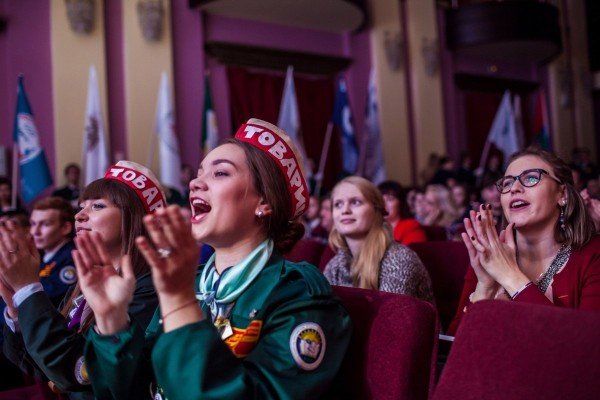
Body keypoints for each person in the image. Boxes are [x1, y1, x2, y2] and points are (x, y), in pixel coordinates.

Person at [82, 119, 351, 400]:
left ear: (264, 201)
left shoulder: (296, 293)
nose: (195, 183)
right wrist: (113, 323)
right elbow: (138, 390)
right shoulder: (191, 282)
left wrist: (180, 303)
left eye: (220, 173)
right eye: (199, 174)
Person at [0, 161, 161, 399]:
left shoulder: (150, 288)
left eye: (97, 206)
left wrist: (27, 289)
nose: (80, 215)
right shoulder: (86, 281)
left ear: (133, 217)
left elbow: (77, 371)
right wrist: (17, 309)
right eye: (81, 206)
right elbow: (46, 368)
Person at [448, 147, 599, 335]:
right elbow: (454, 344)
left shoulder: (593, 255)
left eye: (531, 178)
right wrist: (484, 288)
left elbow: (585, 343)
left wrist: (509, 276)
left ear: (562, 195)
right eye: (507, 183)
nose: (514, 189)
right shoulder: (491, 255)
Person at [324, 176, 433, 302]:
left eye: (355, 202)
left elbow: (391, 313)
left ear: (377, 210)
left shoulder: (399, 259)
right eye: (338, 204)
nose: (345, 210)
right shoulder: (335, 265)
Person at [30, 197, 77, 306]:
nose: (35, 232)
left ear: (65, 228)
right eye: (33, 224)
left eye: (45, 224)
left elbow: (43, 301)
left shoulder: (71, 259)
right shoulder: (43, 255)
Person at [378, 180, 426, 245]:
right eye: (380, 200)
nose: (384, 204)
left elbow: (411, 251)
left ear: (401, 203)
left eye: (390, 199)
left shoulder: (411, 226)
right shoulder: (373, 227)